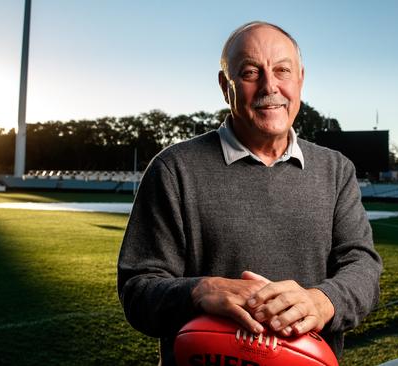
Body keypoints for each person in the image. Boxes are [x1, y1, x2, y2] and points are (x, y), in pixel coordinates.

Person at [117, 21, 382, 365]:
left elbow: (363, 267)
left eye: (282, 70)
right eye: (250, 72)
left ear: (301, 78)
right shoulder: (174, 169)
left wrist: (321, 300)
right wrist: (199, 291)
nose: (269, 86)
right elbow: (137, 289)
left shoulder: (336, 170)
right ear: (224, 86)